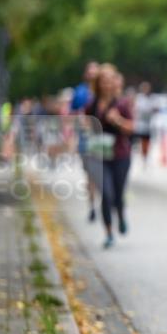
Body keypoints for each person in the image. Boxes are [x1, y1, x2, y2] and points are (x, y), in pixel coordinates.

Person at [86, 64, 135, 249]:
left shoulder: (122, 103)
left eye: (109, 81)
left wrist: (118, 120)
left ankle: (120, 214)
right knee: (106, 194)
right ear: (98, 84)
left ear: (114, 83)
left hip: (121, 155)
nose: (106, 85)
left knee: (118, 194)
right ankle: (108, 232)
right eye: (103, 81)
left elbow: (132, 128)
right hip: (100, 155)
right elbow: (86, 123)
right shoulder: (92, 104)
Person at [72, 62, 99, 221]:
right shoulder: (80, 92)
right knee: (89, 173)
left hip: (103, 138)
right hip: (86, 137)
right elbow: (73, 111)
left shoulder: (105, 90)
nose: (93, 76)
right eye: (90, 73)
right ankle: (92, 205)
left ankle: (106, 202)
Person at [133, 81, 155, 165]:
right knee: (140, 141)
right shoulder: (139, 98)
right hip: (140, 124)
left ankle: (145, 156)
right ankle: (141, 156)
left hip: (148, 125)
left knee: (147, 141)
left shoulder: (151, 98)